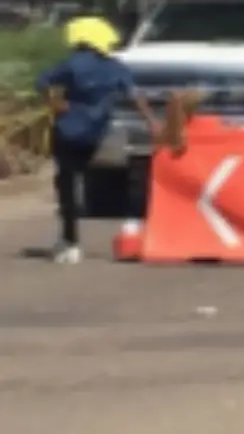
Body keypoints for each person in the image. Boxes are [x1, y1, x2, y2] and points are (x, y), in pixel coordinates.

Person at [36, 16, 159, 264]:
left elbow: (42, 82)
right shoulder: (116, 67)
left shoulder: (71, 64)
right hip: (96, 132)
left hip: (67, 129)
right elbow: (136, 96)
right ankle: (129, 227)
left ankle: (70, 241)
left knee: (67, 185)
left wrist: (56, 103)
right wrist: (153, 123)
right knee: (92, 176)